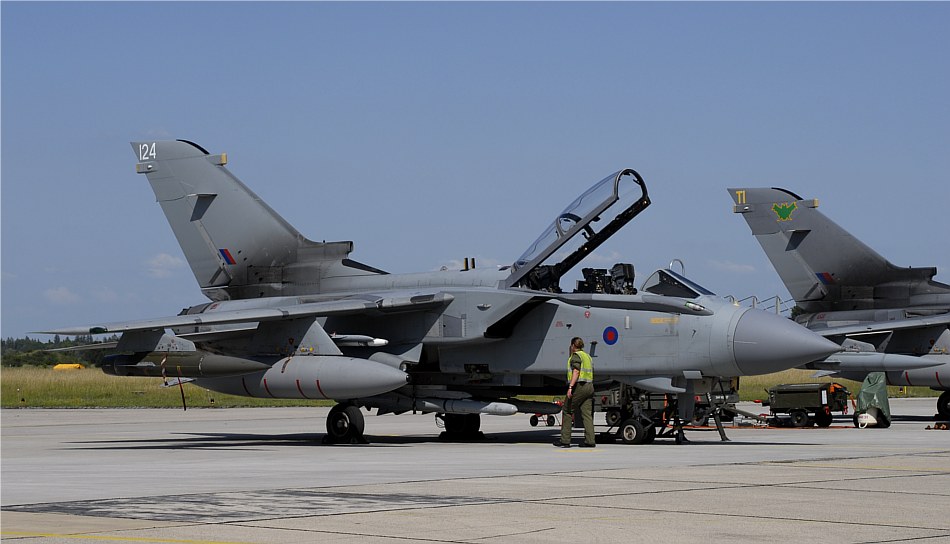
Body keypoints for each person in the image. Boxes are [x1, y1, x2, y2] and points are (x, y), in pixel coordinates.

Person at [554, 337, 595, 448]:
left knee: (567, 410)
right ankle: (590, 441)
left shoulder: (576, 356)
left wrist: (570, 387)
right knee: (587, 414)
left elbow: (576, 372)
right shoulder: (587, 356)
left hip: (580, 386)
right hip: (590, 387)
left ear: (572, 345)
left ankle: (565, 440)